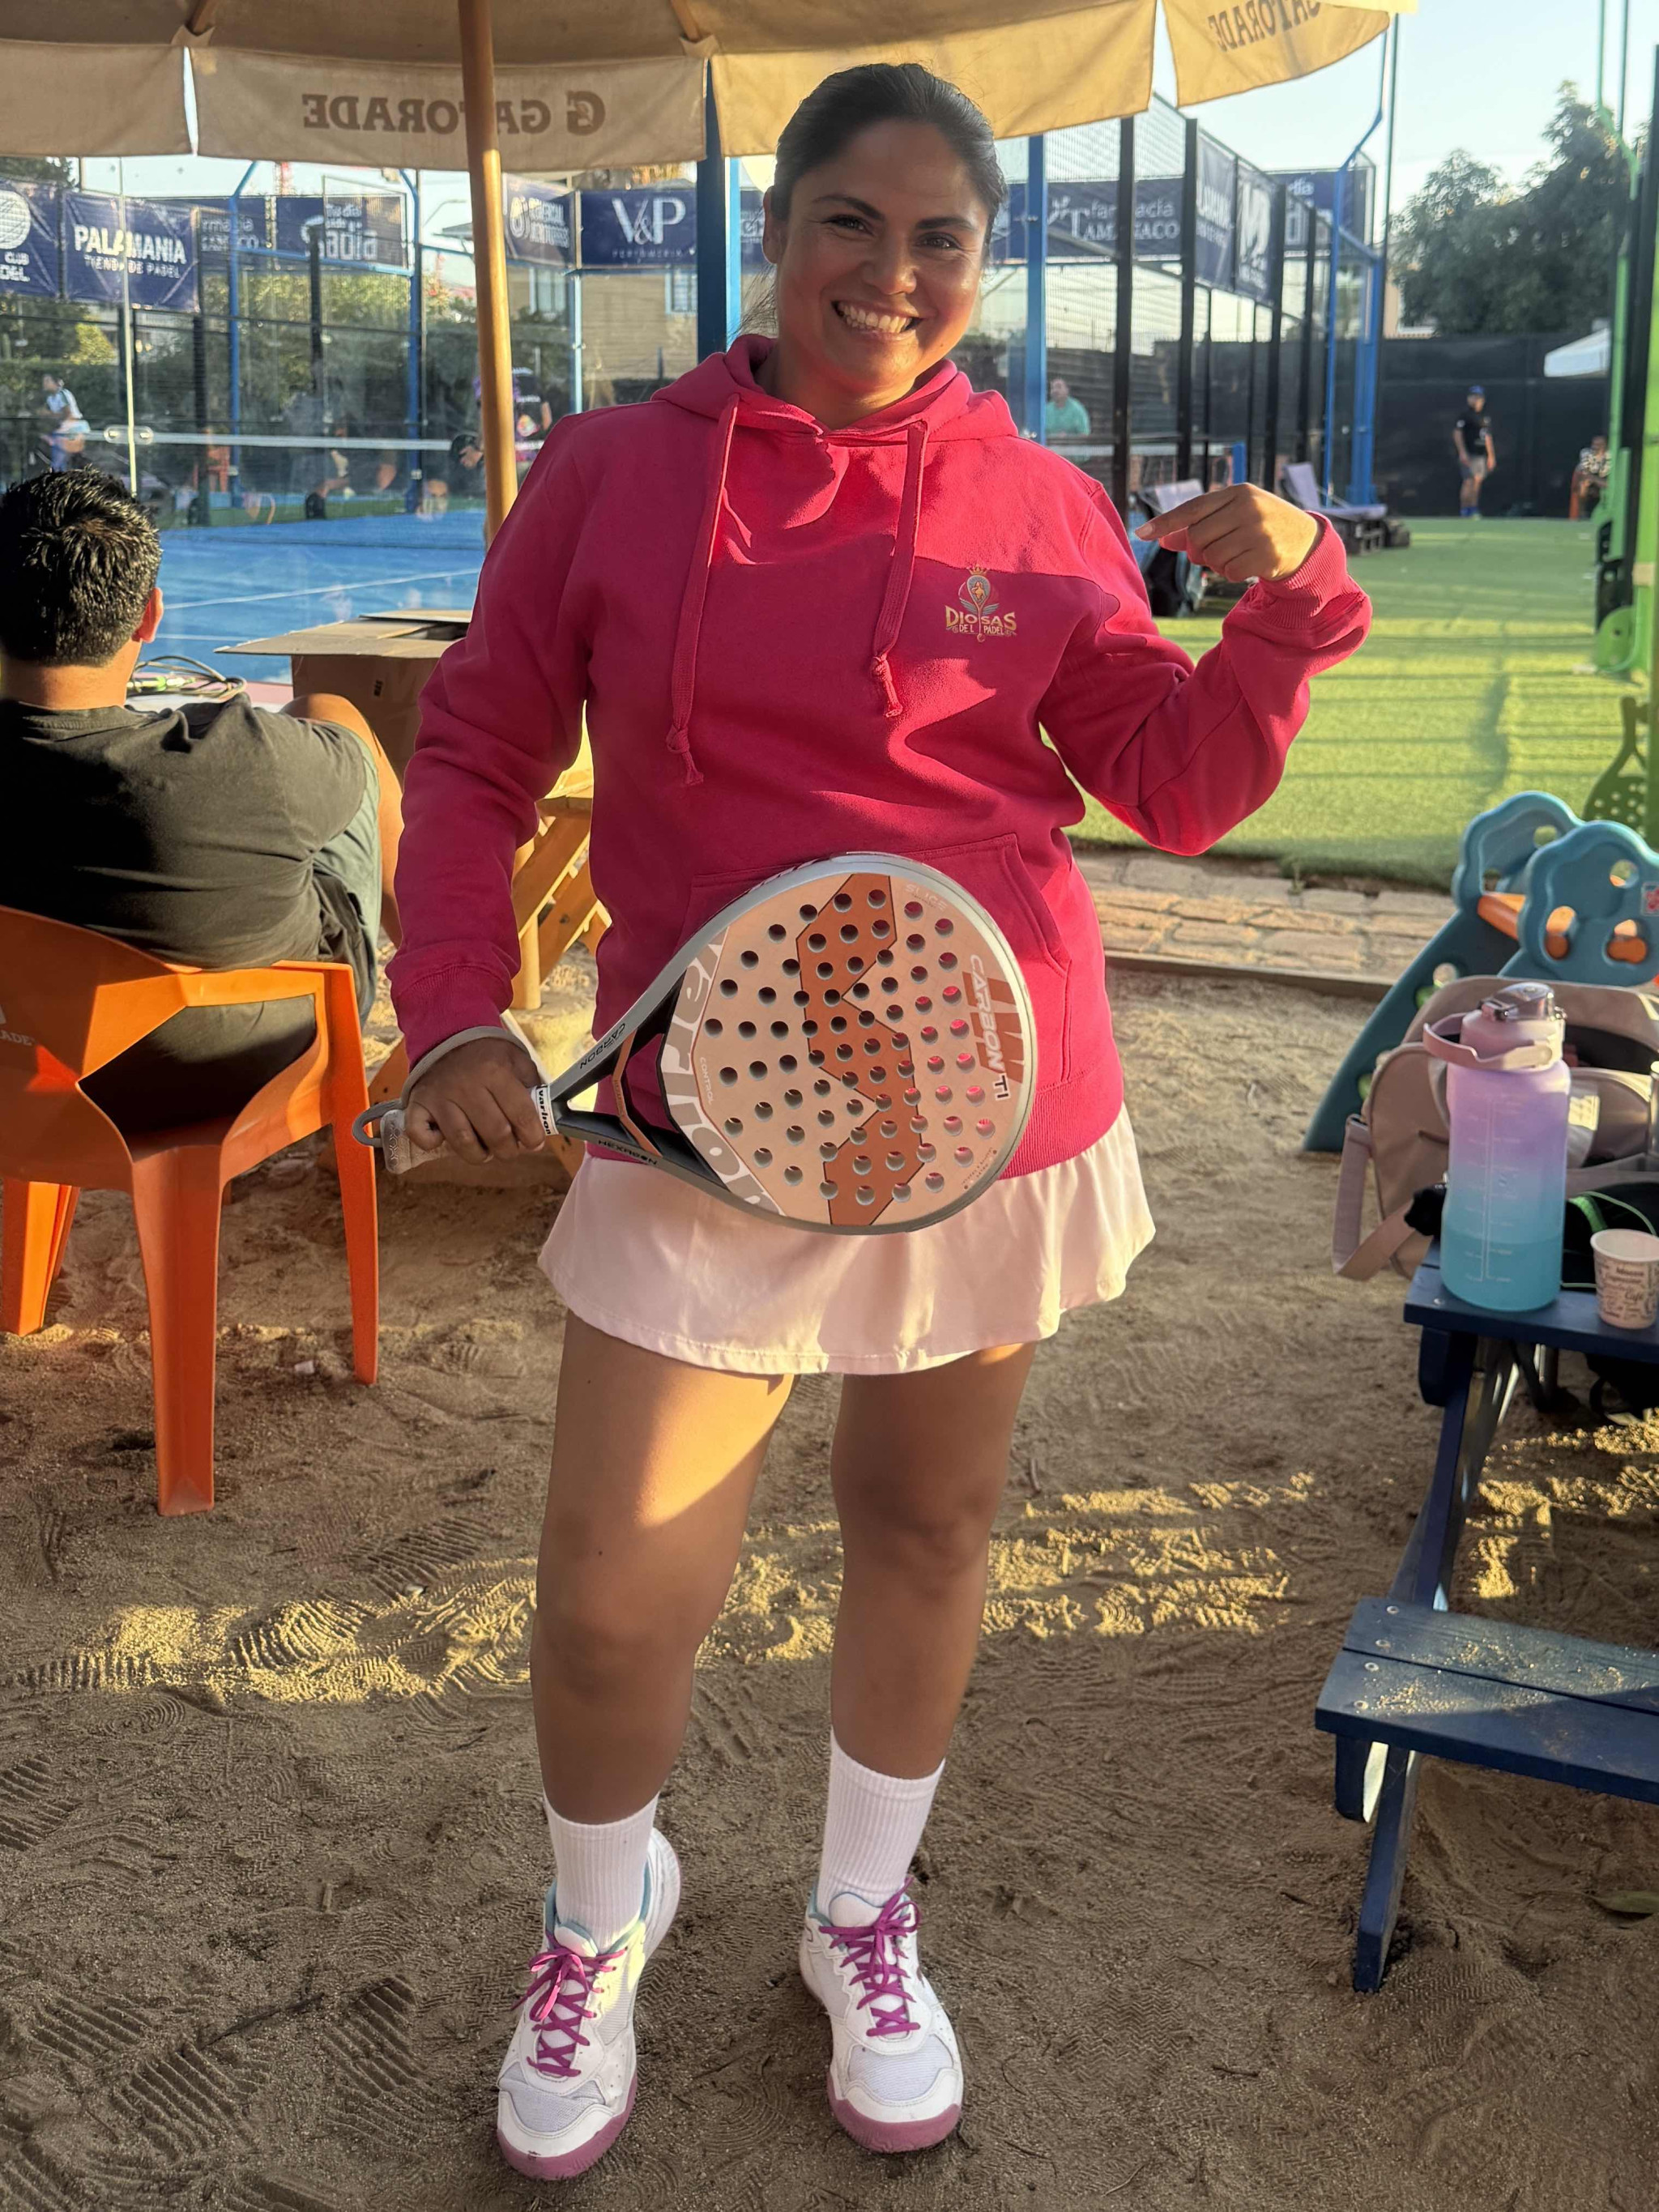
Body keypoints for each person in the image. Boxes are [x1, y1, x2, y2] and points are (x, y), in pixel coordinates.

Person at [387, 62, 1370, 2181]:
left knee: (927, 1526)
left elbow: (1173, 785)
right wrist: (454, 1006)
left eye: (941, 238)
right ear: (778, 233)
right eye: (851, 219)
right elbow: (473, 756)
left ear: (982, 265)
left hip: (983, 1105)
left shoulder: (1041, 504)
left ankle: (859, 1911)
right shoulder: (614, 475)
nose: (892, 272)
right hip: (702, 1107)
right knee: (612, 1589)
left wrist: (1294, 603)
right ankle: (598, 1918)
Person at [0, 470, 403, 1130]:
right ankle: (443, 996)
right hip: (247, 1068)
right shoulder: (245, 760)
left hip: (28, 1077)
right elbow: (350, 773)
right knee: (335, 718)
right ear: (150, 615)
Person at [1454, 385, 1495, 518]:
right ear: (1469, 399)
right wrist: (1462, 452)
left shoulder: (1485, 417)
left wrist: (1491, 456)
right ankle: (1464, 509)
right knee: (1468, 481)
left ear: (1483, 400)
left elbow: (1487, 437)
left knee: (1477, 481)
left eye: (1478, 398)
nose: (1476, 400)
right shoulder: (1465, 416)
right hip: (1469, 454)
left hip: (1480, 455)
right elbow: (1457, 434)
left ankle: (1473, 508)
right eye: (1473, 397)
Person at [36, 373, 88, 472]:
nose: (44, 384)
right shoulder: (50, 398)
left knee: (60, 460)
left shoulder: (62, 394)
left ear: (56, 382)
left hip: (72, 429)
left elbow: (68, 414)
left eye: (47, 381)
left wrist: (48, 414)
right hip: (63, 430)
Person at [1572, 433, 1610, 520]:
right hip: (1590, 481)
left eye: (1599, 445)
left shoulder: (1610, 456)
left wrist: (1594, 479)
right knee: (1583, 485)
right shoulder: (1587, 454)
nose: (1595, 447)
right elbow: (1584, 472)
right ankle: (1582, 513)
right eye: (1594, 444)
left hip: (1606, 481)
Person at [1047, 375, 1090, 439]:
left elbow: (1084, 435)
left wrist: (1067, 437)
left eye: (1059, 387)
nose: (1055, 390)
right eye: (1052, 388)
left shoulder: (1077, 409)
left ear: (1067, 390)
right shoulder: (1046, 410)